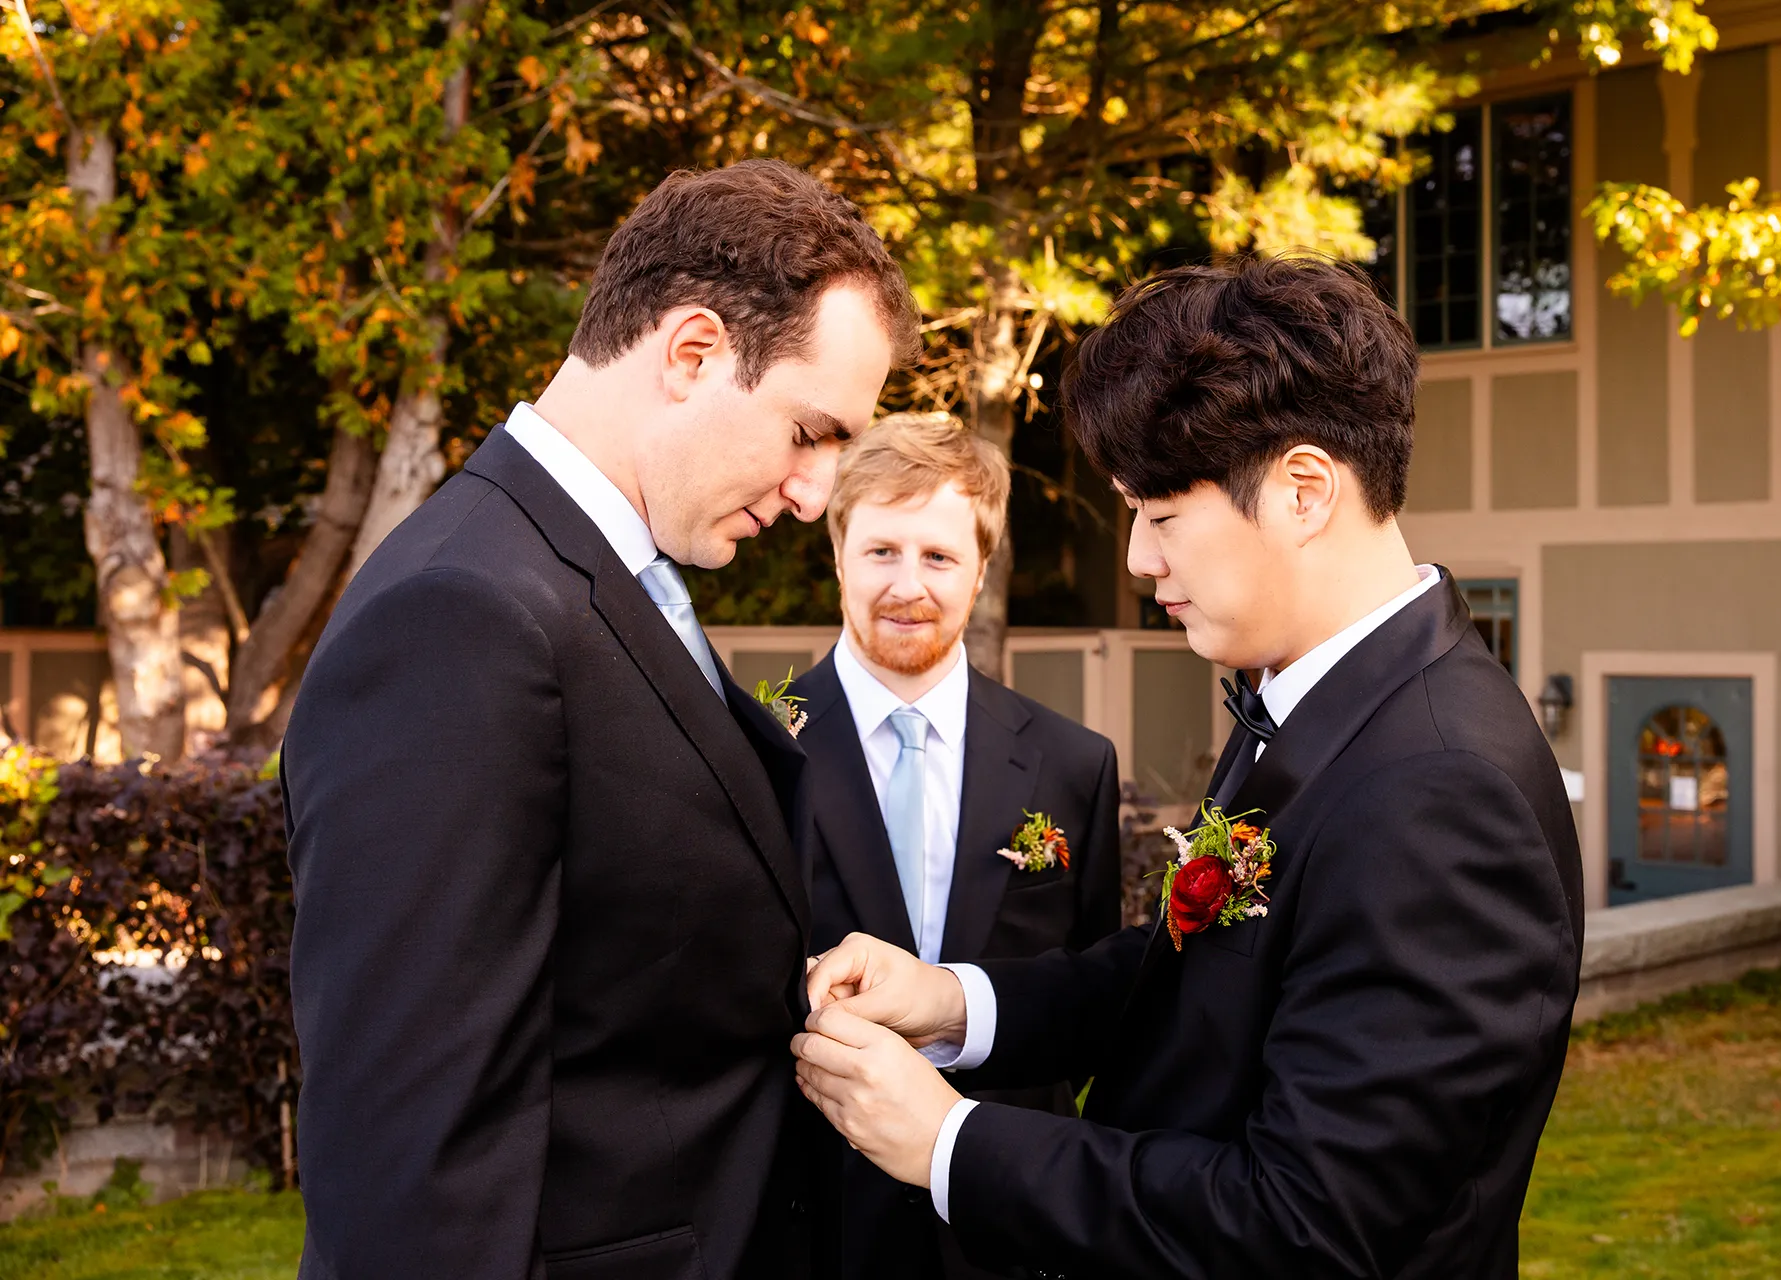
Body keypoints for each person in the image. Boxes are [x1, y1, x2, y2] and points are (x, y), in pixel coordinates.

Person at [793, 254, 1584, 1279]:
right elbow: (1199, 976)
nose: (1137, 559)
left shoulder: (1438, 787)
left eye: (1161, 515)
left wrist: (947, 1139)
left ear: (1304, 491)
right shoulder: (1317, 705)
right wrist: (952, 999)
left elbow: (1303, 1225)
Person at [282, 159, 920, 1280]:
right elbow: (410, 1156)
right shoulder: (459, 615)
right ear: (692, 353)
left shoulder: (609, 578)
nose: (816, 492)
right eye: (810, 432)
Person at [790, 415, 1122, 1279]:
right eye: (881, 552)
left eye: (939, 557)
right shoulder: (756, 751)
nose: (909, 585)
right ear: (837, 553)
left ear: (980, 571)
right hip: (811, 1220)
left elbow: (1094, 1006)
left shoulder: (1075, 765)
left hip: (1006, 1228)